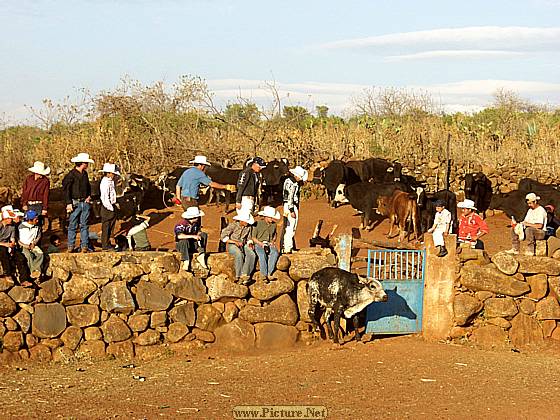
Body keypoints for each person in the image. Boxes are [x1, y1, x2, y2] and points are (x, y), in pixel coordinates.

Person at [62, 152, 94, 253]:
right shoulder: (71, 175)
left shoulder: (84, 174)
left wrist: (88, 196)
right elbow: (66, 189)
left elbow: (88, 187)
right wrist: (68, 203)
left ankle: (84, 246)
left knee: (84, 224)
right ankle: (71, 246)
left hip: (84, 202)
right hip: (75, 202)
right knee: (73, 225)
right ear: (82, 163)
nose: (87, 165)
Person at [220, 210, 256, 284]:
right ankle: (238, 275)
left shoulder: (249, 227)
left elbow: (249, 238)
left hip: (243, 244)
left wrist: (250, 243)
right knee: (239, 254)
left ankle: (245, 274)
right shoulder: (233, 225)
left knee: (252, 254)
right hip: (232, 244)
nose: (247, 222)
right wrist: (235, 242)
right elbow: (223, 237)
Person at [282, 165, 308, 254]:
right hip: (290, 206)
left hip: (290, 205)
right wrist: (292, 210)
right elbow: (290, 197)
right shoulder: (291, 183)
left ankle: (289, 246)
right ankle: (287, 248)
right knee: (290, 227)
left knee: (291, 227)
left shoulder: (291, 182)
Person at [252, 206, 281, 282]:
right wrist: (260, 244)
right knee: (262, 255)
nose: (272, 219)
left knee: (275, 253)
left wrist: (272, 241)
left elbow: (275, 234)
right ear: (266, 217)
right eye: (270, 217)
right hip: (259, 243)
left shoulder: (274, 225)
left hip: (268, 243)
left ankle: (269, 273)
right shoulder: (258, 224)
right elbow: (254, 237)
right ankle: (263, 275)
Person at [174, 207, 208, 271]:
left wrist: (198, 235)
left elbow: (198, 232)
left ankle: (201, 254)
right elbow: (179, 236)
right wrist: (192, 236)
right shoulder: (181, 224)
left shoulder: (196, 224)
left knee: (204, 235)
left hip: (192, 244)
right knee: (184, 240)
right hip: (182, 246)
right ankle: (186, 260)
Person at [21, 161, 51, 229]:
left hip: (39, 205)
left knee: (38, 224)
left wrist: (44, 208)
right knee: (26, 223)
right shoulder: (28, 179)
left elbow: (46, 195)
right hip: (29, 204)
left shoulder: (45, 181)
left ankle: (38, 239)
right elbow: (24, 192)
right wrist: (24, 203)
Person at [99, 163, 120, 251]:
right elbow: (104, 197)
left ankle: (107, 243)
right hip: (107, 207)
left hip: (111, 205)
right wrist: (110, 208)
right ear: (109, 173)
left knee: (110, 227)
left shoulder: (110, 181)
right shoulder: (104, 182)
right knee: (106, 227)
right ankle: (105, 245)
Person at [18, 210, 43, 279]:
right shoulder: (21, 227)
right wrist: (24, 245)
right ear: (30, 220)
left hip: (32, 245)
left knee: (40, 254)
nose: (37, 221)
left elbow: (38, 236)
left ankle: (37, 270)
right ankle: (32, 271)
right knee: (28, 255)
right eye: (35, 219)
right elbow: (17, 238)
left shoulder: (37, 227)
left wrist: (34, 243)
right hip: (23, 245)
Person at [0, 207, 16, 279]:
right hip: (2, 244)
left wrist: (12, 244)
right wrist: (5, 244)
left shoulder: (12, 227)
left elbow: (12, 238)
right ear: (5, 218)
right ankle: (7, 273)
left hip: (6, 244)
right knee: (3, 251)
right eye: (10, 218)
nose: (12, 220)